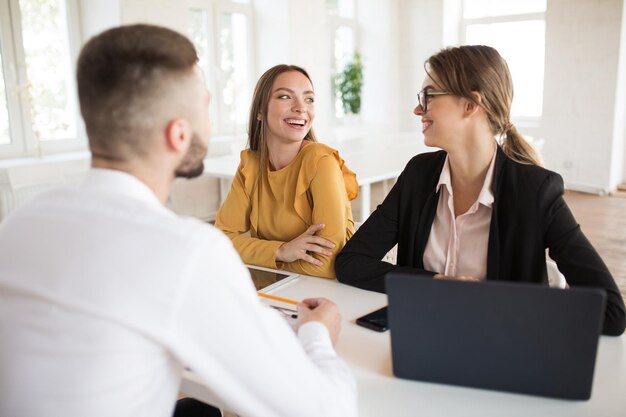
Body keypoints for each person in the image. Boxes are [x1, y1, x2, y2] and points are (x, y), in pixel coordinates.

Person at [0, 24, 357, 417]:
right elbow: (325, 408)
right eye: (204, 103)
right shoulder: (186, 252)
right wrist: (318, 332)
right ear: (179, 134)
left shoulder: (21, 222)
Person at [335, 45, 626, 336]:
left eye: (429, 95)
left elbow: (611, 314)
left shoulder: (536, 192)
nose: (417, 109)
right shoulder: (418, 175)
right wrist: (435, 282)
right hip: (421, 338)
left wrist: (490, 302)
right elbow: (351, 262)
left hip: (501, 351)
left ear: (471, 104)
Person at [215, 65, 358, 279]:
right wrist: (281, 251)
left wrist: (263, 257)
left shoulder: (321, 162)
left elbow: (326, 266)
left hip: (321, 296)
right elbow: (221, 239)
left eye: (309, 99)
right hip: (273, 293)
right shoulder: (250, 164)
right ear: (260, 111)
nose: (301, 108)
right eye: (285, 96)